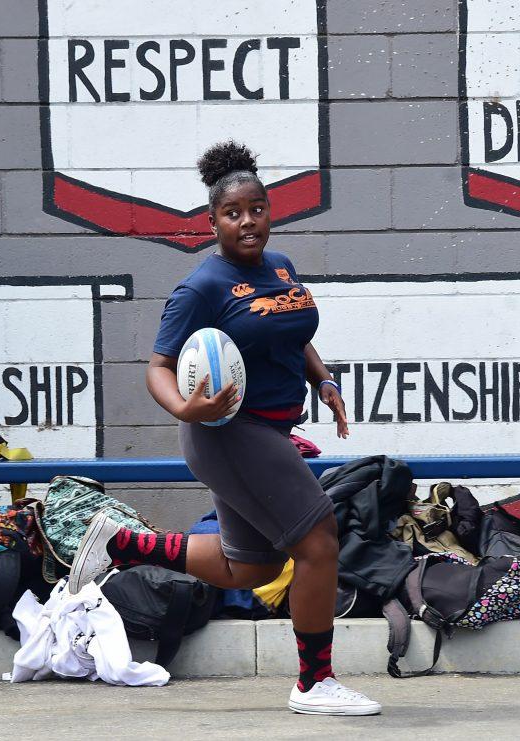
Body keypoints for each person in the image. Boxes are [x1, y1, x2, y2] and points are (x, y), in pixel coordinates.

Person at [68, 142, 381, 716]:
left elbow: (291, 330)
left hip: (266, 431)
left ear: (269, 210)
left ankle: (119, 541)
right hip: (232, 433)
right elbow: (159, 368)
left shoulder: (281, 267)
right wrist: (185, 410)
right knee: (319, 543)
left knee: (253, 565)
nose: (247, 221)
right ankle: (315, 684)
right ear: (212, 222)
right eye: (233, 214)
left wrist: (323, 381)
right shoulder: (202, 287)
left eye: (256, 209)